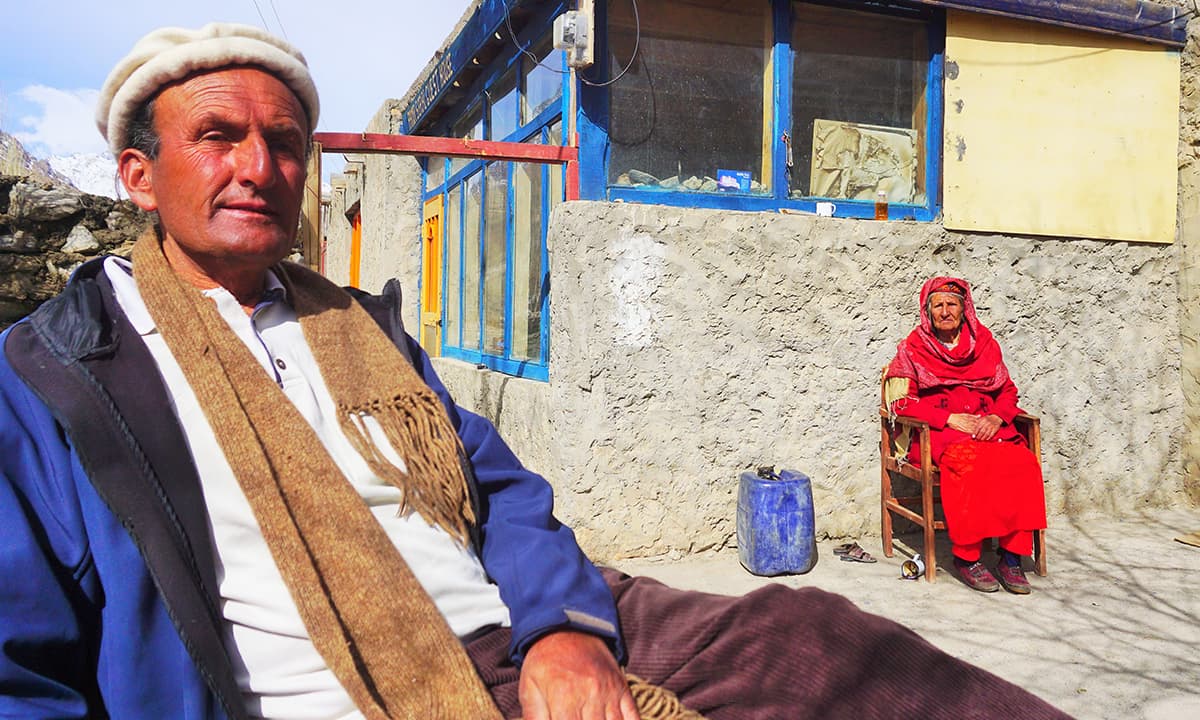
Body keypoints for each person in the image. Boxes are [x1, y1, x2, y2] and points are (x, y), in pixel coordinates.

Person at [0, 24, 1072, 720]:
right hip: (335, 688)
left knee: (830, 647)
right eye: (217, 138)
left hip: (518, 616)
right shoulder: (60, 379)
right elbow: (24, 664)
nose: (259, 169)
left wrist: (564, 627)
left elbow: (502, 488)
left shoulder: (358, 328)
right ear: (139, 174)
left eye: (284, 144)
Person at [886, 277, 1048, 594]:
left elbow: (1007, 391)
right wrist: (948, 418)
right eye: (938, 305)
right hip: (941, 433)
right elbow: (901, 401)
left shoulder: (984, 344)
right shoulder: (913, 348)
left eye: (952, 304)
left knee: (1023, 463)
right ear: (927, 311)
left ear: (965, 309)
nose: (946, 311)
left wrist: (996, 417)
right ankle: (967, 557)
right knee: (969, 465)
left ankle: (1011, 557)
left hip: (988, 428)